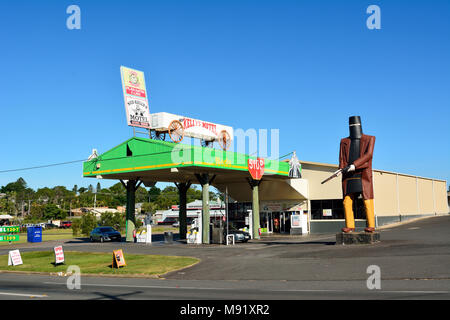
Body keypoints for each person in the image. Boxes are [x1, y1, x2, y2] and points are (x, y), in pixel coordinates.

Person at [339, 116, 376, 233]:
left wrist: (354, 165)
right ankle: (350, 225)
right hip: (348, 176)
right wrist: (341, 168)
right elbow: (341, 158)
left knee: (367, 200)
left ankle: (371, 225)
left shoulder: (370, 138)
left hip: (363, 174)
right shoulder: (344, 141)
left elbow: (368, 155)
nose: (353, 127)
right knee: (347, 201)